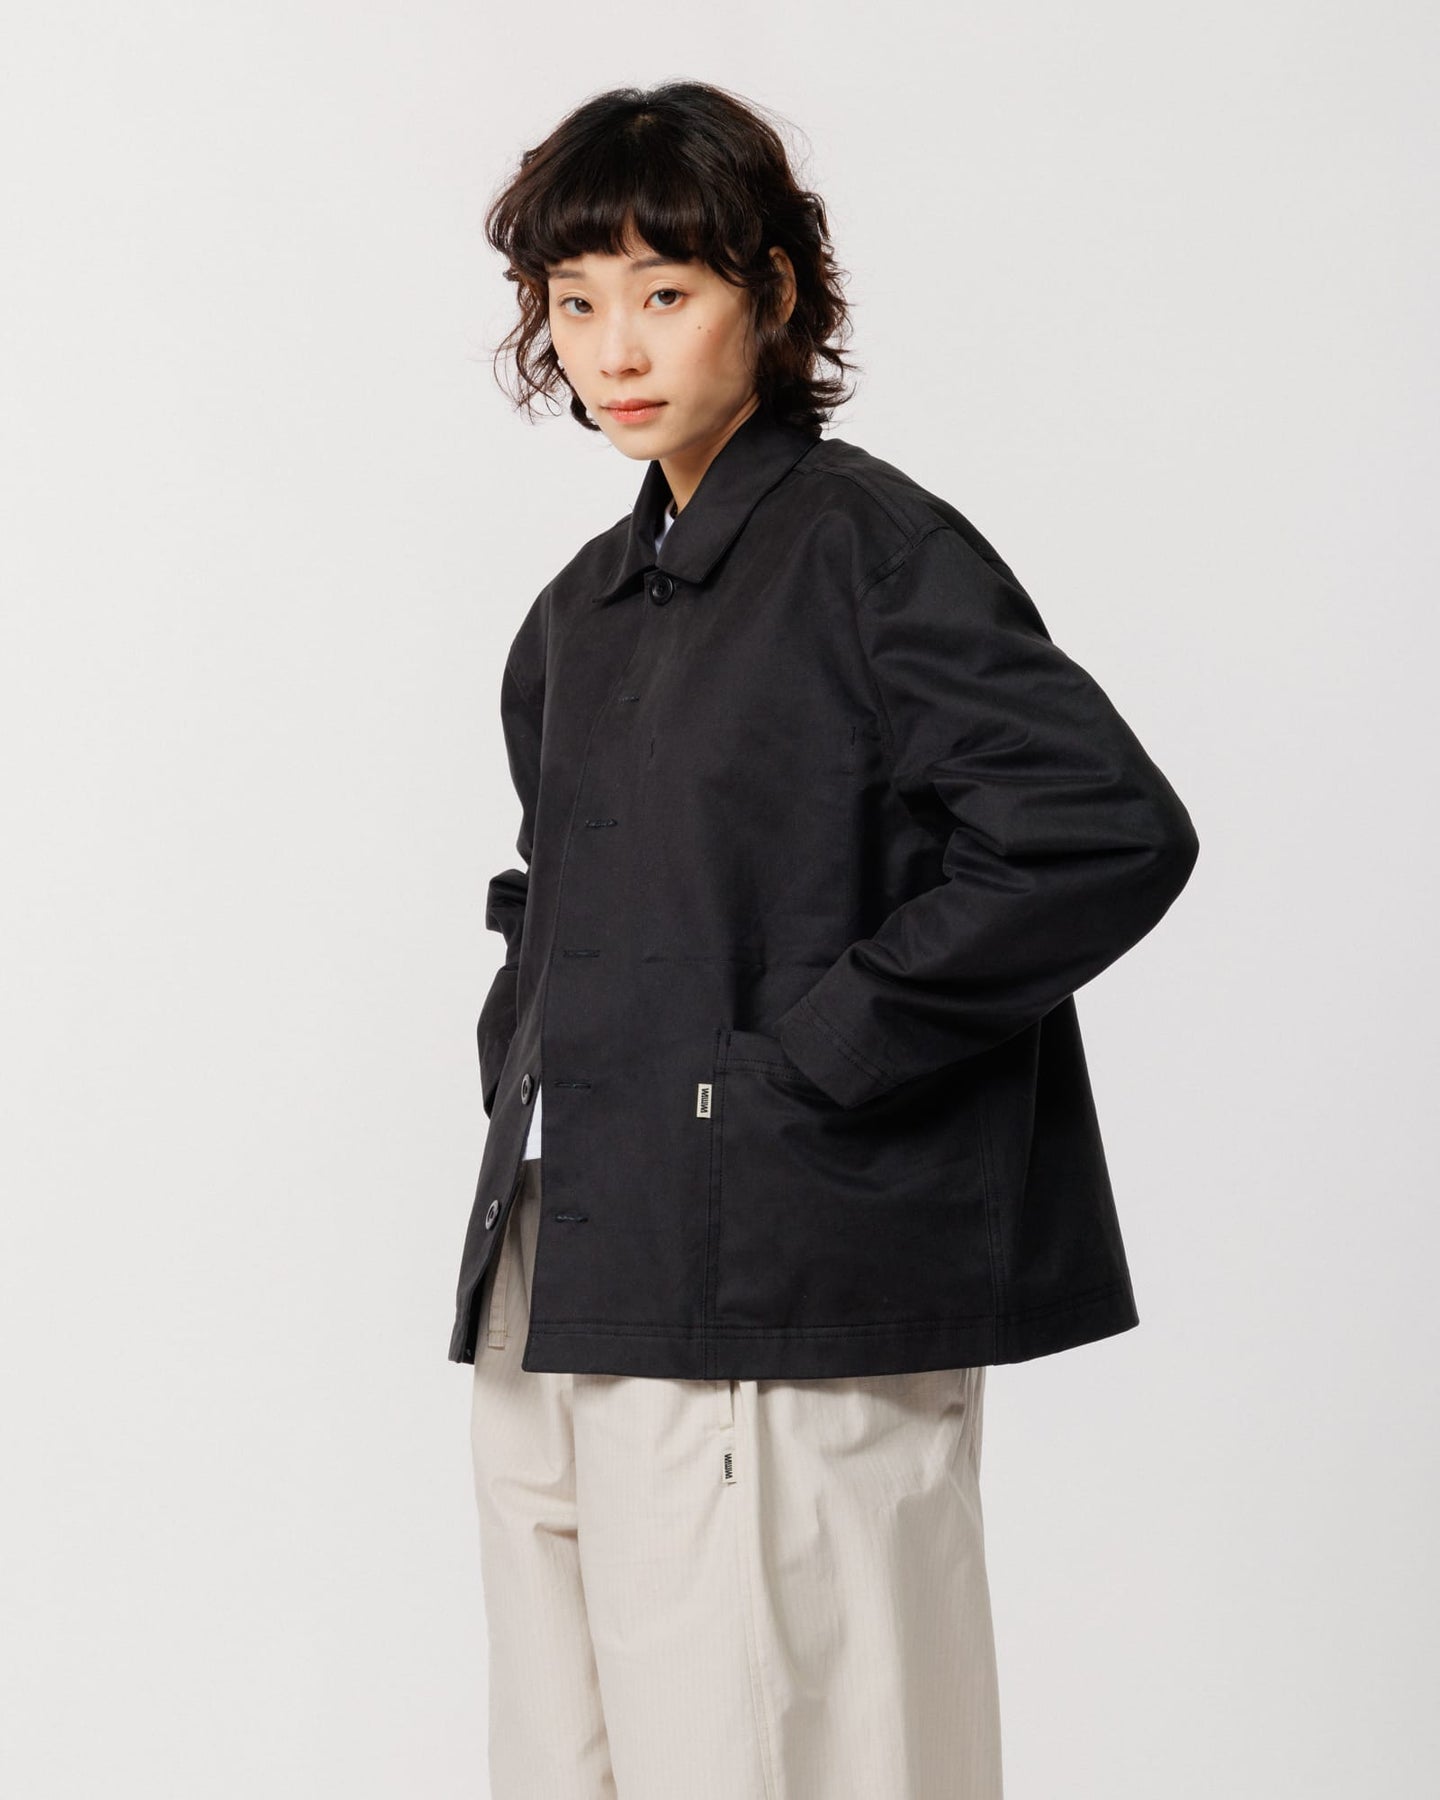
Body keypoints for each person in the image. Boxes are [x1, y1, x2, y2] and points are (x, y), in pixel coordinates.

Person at [456, 80, 1199, 1800]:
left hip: (780, 1282)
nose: (615, 347)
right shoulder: (579, 615)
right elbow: (551, 886)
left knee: (787, 1759)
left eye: (666, 292)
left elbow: (1098, 827)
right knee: (567, 1762)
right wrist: (523, 1059)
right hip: (561, 1272)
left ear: (773, 294)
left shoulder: (868, 551)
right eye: (576, 300)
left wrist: (807, 1066)